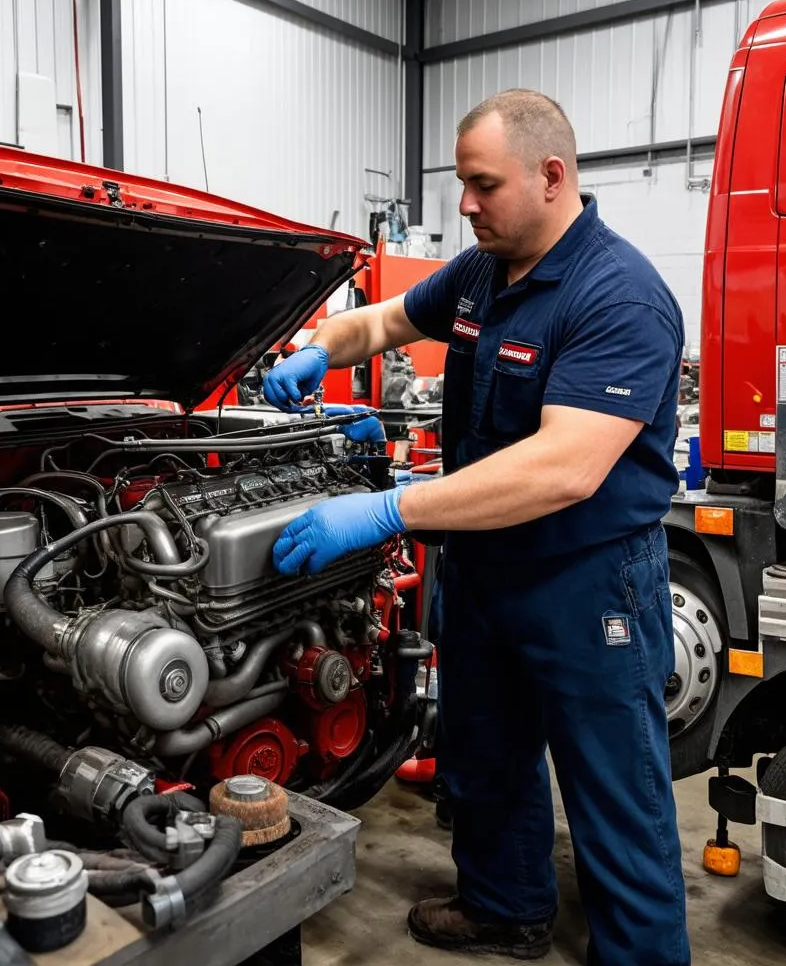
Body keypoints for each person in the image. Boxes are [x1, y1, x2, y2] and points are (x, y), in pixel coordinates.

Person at [262, 89, 689, 966]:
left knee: (616, 788)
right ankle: (505, 907)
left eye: (482, 184)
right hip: (485, 570)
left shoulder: (621, 298)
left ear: (552, 176)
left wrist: (386, 510)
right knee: (485, 755)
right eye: (463, 183)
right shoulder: (482, 273)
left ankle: (643, 954)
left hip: (588, 580)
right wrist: (314, 346)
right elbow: (385, 320)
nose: (465, 205)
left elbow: (564, 468)